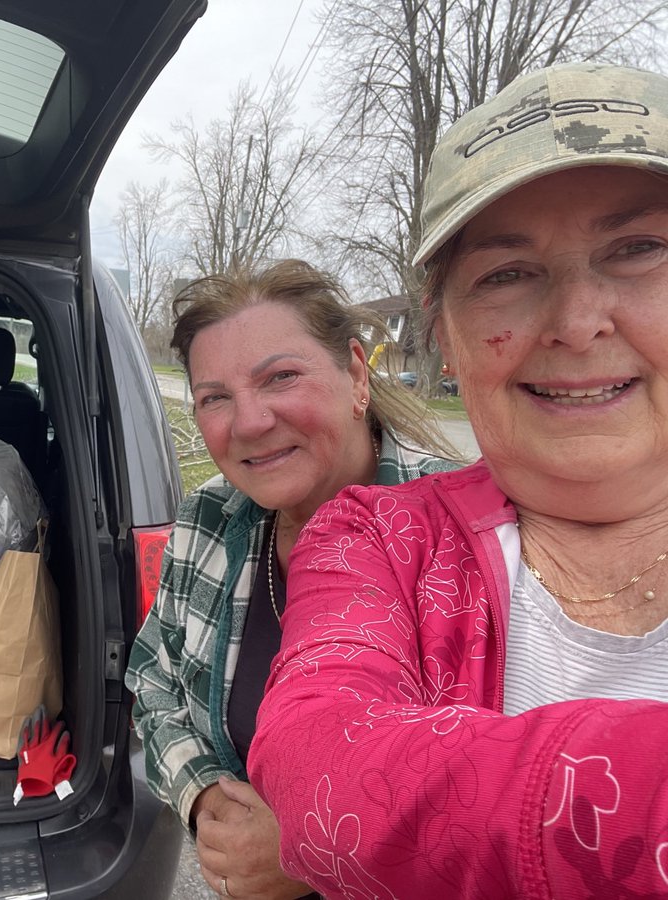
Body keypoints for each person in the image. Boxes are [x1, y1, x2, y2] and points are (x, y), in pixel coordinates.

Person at [248, 63, 668, 899]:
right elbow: (316, 760)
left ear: (360, 378)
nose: (579, 322)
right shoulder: (379, 539)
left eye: (640, 250)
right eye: (507, 274)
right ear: (446, 332)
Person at [124, 260, 460, 899]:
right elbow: (155, 679)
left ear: (356, 373)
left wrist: (315, 845)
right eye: (215, 397)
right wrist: (200, 796)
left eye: (280, 377)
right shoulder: (213, 518)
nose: (248, 422)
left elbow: (526, 798)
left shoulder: (459, 529)